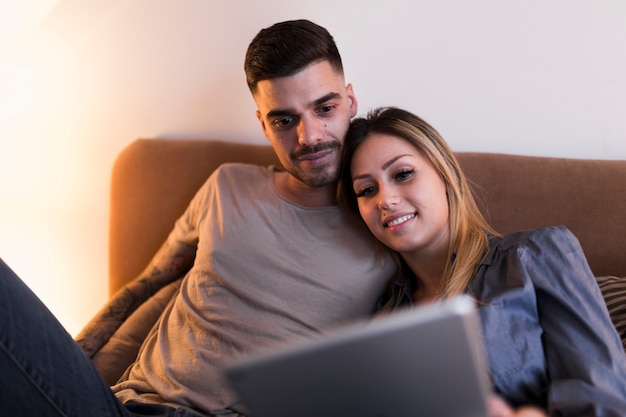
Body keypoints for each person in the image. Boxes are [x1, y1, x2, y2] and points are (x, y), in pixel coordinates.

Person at [0, 20, 396, 417]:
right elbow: (145, 286)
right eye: (284, 121)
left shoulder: (390, 220)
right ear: (263, 124)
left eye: (324, 109)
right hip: (123, 408)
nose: (309, 136)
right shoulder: (228, 184)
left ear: (350, 101)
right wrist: (68, 368)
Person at [338, 106, 626, 416]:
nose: (385, 199)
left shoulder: (535, 258)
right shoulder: (384, 316)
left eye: (403, 174)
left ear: (445, 174)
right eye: (367, 190)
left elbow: (606, 400)